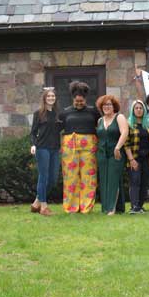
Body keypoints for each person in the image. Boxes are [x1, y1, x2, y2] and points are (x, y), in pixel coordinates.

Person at [59, 81, 100, 214]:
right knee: (70, 177)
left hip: (89, 148)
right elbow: (59, 128)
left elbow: (100, 127)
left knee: (89, 177)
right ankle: (71, 207)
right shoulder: (65, 113)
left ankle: (86, 207)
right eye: (77, 101)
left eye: (81, 101)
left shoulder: (93, 111)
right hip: (69, 148)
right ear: (73, 99)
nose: (79, 103)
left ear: (85, 99)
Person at [29, 88, 62, 216]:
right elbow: (33, 132)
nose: (51, 98)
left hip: (55, 148)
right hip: (42, 148)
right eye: (48, 96)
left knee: (53, 179)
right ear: (44, 98)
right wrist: (33, 145)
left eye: (53, 96)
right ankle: (43, 206)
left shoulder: (58, 114)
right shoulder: (38, 113)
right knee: (43, 176)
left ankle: (36, 202)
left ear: (55, 98)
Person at [95, 95, 129, 216]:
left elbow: (125, 132)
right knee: (104, 179)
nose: (106, 107)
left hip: (116, 152)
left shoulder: (119, 117)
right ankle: (110, 207)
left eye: (109, 105)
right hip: (102, 153)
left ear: (114, 106)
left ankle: (111, 208)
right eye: (104, 105)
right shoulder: (100, 120)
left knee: (113, 179)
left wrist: (118, 147)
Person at [124, 100, 149, 214]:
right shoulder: (129, 124)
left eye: (140, 108)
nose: (138, 110)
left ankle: (140, 206)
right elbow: (126, 144)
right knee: (135, 181)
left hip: (147, 157)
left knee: (144, 182)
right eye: (136, 108)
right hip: (134, 158)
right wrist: (131, 160)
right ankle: (134, 206)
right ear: (133, 110)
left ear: (144, 110)